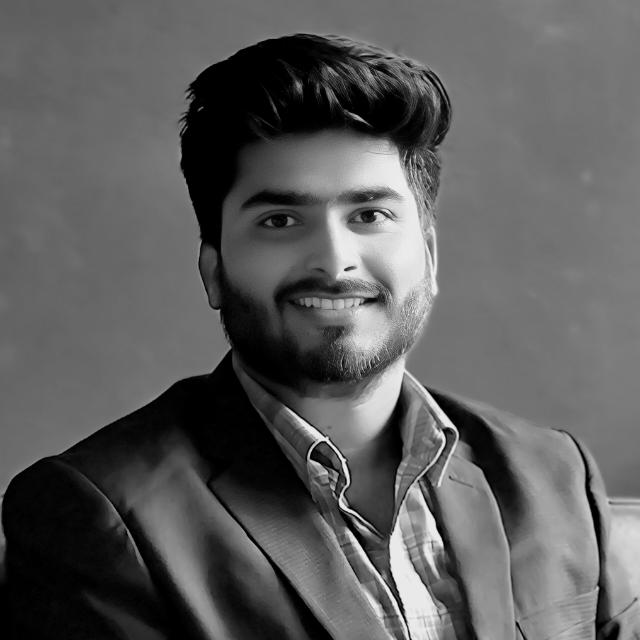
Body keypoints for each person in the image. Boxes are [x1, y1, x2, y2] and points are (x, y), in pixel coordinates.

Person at [2, 33, 638, 640]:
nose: (334, 261)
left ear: (429, 256)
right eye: (281, 220)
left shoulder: (553, 474)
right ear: (213, 270)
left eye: (370, 214)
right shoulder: (98, 516)